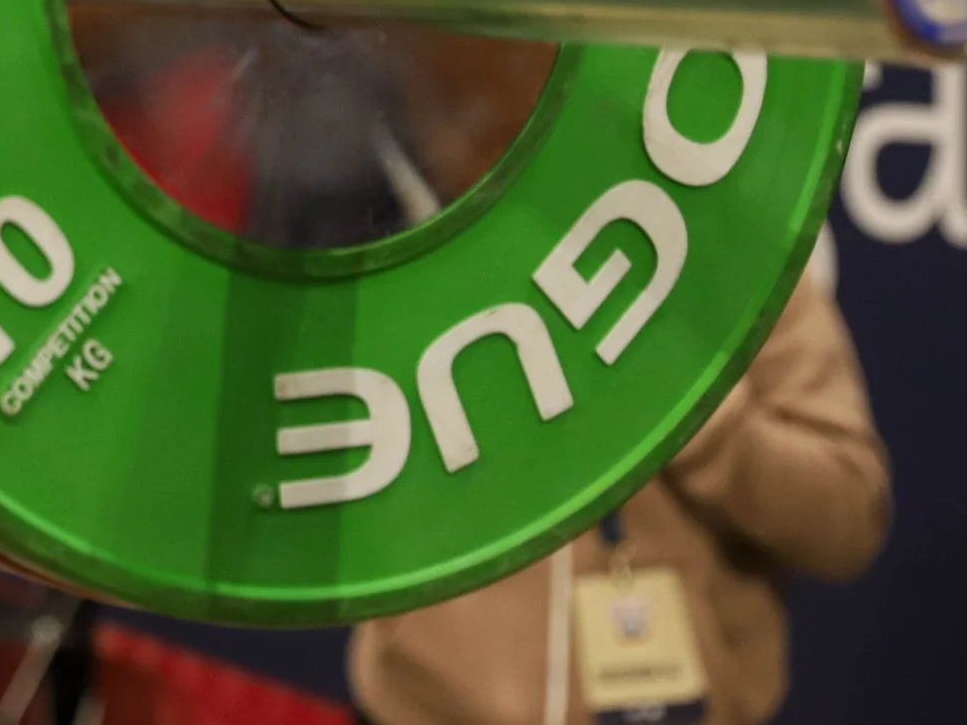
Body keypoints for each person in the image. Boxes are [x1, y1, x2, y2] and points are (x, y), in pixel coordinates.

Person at [348, 262, 890, 725]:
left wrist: (696, 418)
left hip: (683, 705)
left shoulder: (731, 251)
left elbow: (848, 517)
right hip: (422, 709)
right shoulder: (410, 248)